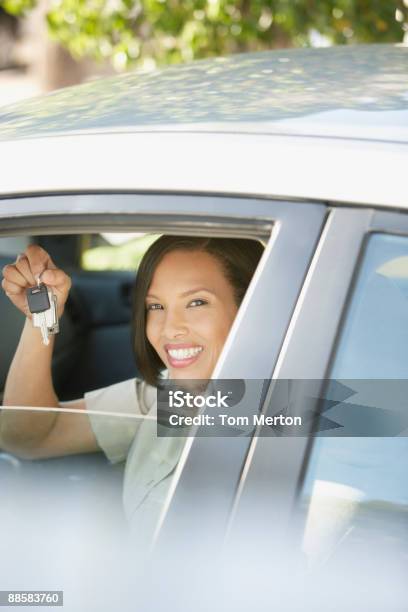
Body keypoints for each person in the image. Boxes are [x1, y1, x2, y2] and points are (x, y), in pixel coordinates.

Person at [0, 235, 263, 542]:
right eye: (156, 306)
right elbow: (30, 436)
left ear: (251, 306)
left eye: (197, 302)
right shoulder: (167, 396)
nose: (169, 328)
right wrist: (41, 318)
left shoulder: (297, 407)